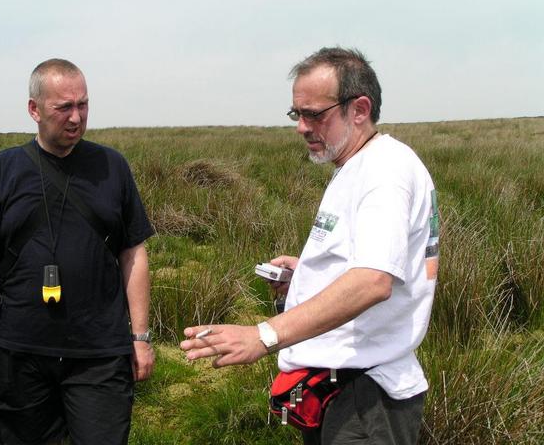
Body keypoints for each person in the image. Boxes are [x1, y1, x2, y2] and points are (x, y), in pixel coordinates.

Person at [181, 47, 438, 445]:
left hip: (365, 400)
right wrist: (308, 275)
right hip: (342, 390)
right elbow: (376, 263)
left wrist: (263, 335)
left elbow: (373, 280)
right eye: (296, 114)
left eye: (314, 114)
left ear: (359, 108)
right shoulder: (357, 165)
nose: (301, 127)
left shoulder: (384, 172)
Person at [0, 58, 155, 444]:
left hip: (99, 356)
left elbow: (134, 255)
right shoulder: (3, 170)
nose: (76, 117)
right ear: (34, 110)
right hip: (17, 354)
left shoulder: (113, 167)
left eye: (84, 105)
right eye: (64, 108)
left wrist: (140, 338)